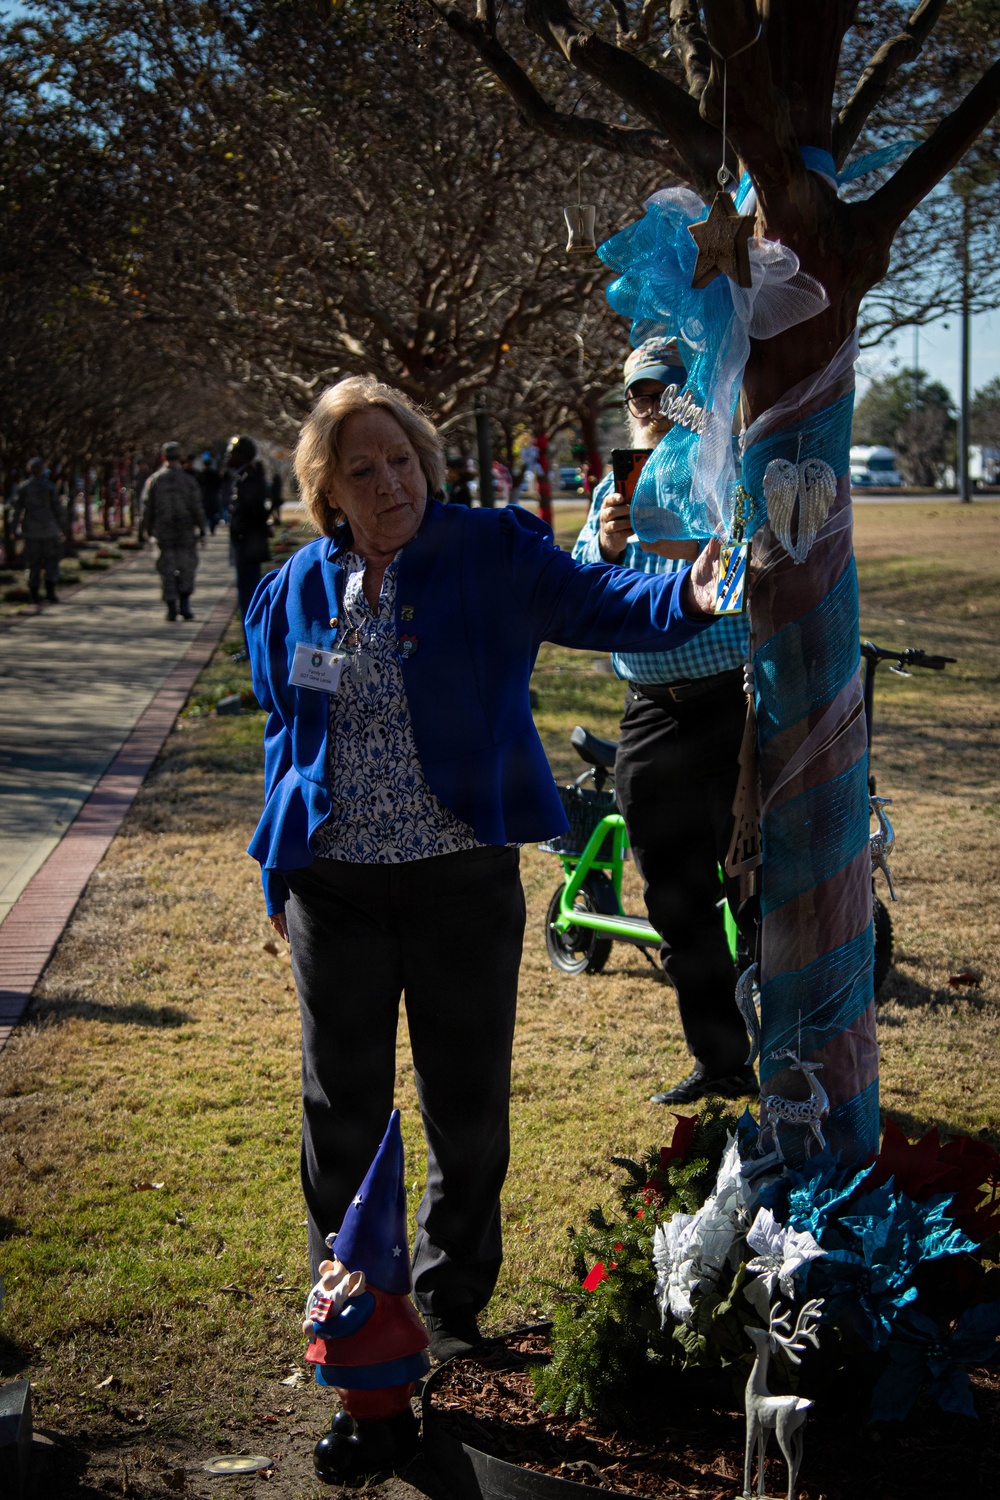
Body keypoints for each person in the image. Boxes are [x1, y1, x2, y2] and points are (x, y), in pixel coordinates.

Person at [245, 375, 724, 1365]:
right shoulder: (297, 588)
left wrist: (684, 591)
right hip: (333, 887)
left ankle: (449, 1296)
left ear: (427, 460)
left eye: (403, 460)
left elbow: (597, 599)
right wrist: (276, 875)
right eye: (362, 469)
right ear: (326, 490)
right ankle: (349, 1300)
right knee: (339, 1109)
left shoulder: (488, 552)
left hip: (459, 879)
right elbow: (285, 730)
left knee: (463, 1108)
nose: (391, 484)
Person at [573, 338, 754, 1106]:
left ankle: (788, 1064)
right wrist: (606, 542)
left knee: (758, 893)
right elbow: (582, 583)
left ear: (695, 400)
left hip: (729, 706)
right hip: (649, 716)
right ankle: (720, 1064)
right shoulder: (619, 483)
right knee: (675, 902)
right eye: (641, 397)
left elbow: (752, 567)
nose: (653, 409)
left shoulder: (730, 473)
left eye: (669, 395)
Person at [138, 443, 206, 621]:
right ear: (180, 457)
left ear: (163, 457)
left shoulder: (154, 480)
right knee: (187, 568)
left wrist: (145, 530)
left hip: (163, 532)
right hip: (185, 532)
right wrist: (202, 528)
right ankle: (184, 605)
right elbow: (197, 506)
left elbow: (146, 507)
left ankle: (171, 607)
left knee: (167, 569)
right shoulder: (188, 480)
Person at [225, 434, 272, 662]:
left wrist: (242, 531)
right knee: (246, 599)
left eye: (232, 453)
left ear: (242, 455)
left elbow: (252, 513)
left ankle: (252, 649)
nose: (228, 457)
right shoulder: (243, 476)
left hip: (249, 548)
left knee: (250, 601)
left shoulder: (249, 478)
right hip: (245, 548)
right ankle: (249, 647)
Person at [13, 457, 69, 605]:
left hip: (32, 532)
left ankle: (34, 593)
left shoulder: (23, 487)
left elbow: (16, 511)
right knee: (51, 562)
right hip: (50, 530)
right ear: (43, 470)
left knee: (33, 563)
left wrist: (14, 530)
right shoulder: (49, 487)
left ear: (29, 470)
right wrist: (64, 528)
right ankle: (50, 592)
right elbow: (59, 509)